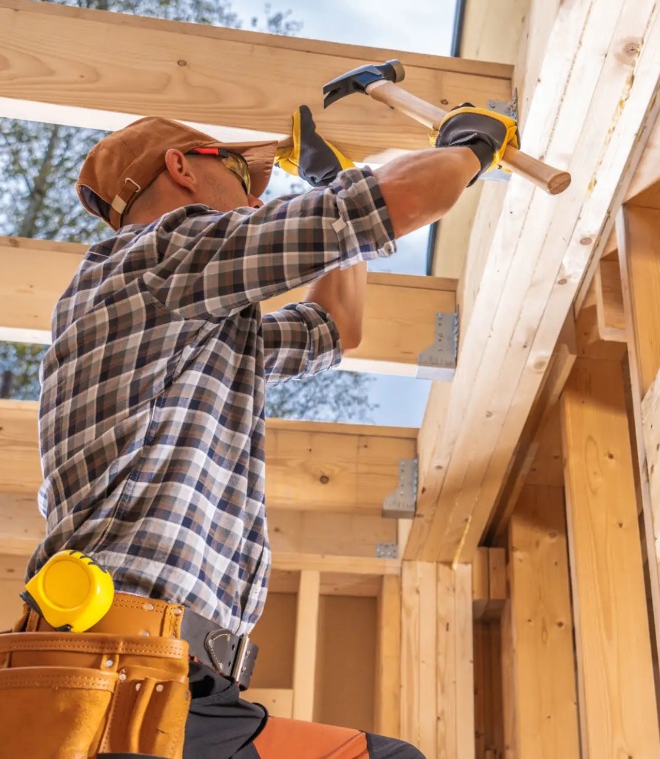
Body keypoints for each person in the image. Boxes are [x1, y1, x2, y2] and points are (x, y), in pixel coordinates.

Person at [0, 104, 517, 758]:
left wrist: (332, 177)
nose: (255, 192)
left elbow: (335, 328)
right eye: (243, 171)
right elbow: (408, 195)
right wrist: (471, 143)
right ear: (181, 169)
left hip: (188, 690)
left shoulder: (194, 330)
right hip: (112, 676)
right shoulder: (150, 260)